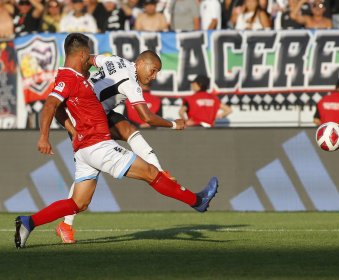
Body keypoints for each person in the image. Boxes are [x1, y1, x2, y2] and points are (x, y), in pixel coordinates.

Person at [14, 33, 218, 249]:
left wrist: (73, 131)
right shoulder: (75, 79)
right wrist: (44, 137)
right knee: (150, 172)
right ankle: (197, 200)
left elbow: (67, 96)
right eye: (153, 70)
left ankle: (29, 222)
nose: (154, 76)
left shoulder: (94, 68)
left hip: (84, 146)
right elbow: (51, 106)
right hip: (97, 143)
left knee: (78, 203)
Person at [55, 52, 182, 243]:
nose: (154, 76)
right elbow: (146, 117)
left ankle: (160, 171)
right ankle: (65, 224)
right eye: (153, 70)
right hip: (84, 117)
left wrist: (84, 79)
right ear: (139, 63)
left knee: (128, 131)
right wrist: (173, 124)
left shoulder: (113, 59)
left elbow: (88, 58)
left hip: (94, 112)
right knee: (90, 169)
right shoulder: (129, 81)